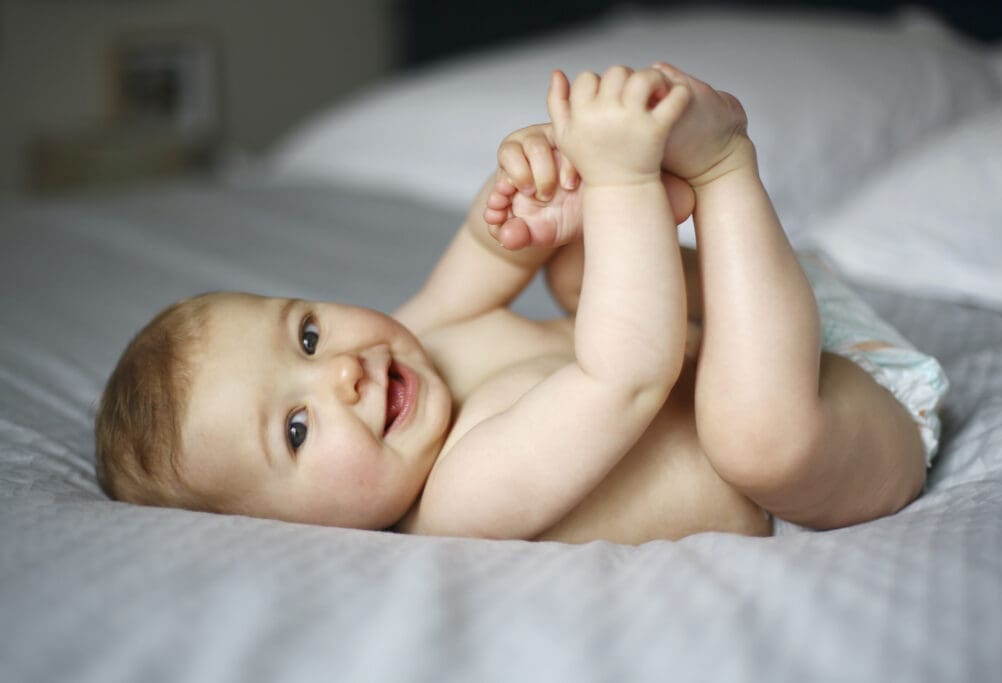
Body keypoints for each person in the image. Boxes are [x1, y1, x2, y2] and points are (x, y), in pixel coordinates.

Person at [95, 63, 946, 544]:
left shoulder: (415, 340)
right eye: (295, 427)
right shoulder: (459, 499)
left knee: (575, 267)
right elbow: (626, 374)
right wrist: (618, 180)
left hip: (775, 331)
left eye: (308, 334)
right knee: (752, 435)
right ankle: (721, 170)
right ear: (285, 530)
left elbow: (496, 244)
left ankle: (687, 197)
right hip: (841, 423)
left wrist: (537, 175)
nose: (343, 374)